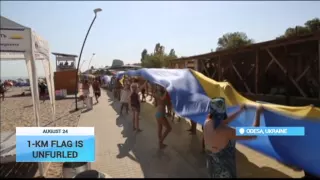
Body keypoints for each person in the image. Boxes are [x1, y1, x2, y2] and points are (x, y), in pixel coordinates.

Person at [203, 97, 263, 178]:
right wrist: (258, 112)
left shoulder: (207, 122)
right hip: (224, 171)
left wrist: (240, 110)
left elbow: (225, 121)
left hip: (211, 166)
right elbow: (253, 133)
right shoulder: (226, 131)